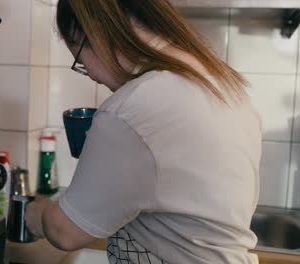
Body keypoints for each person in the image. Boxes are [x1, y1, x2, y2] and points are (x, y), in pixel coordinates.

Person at [25, 0, 262, 263]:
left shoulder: (135, 106)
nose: (91, 75)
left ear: (93, 33)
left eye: (80, 61)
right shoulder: (221, 83)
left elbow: (64, 232)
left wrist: (37, 214)